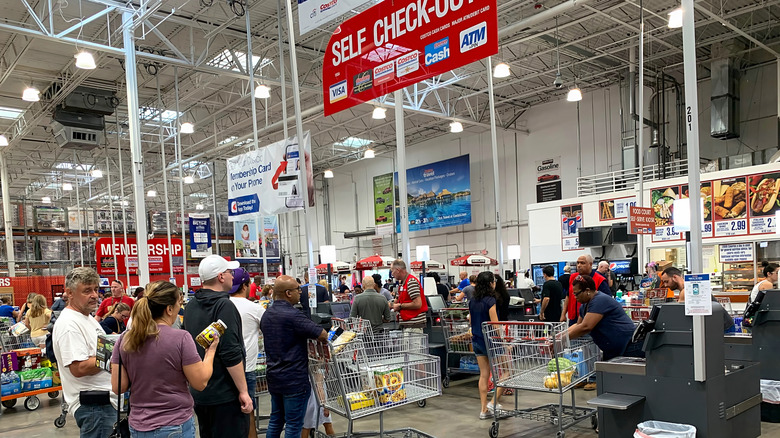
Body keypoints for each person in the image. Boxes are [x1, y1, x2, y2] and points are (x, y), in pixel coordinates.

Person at [111, 281, 218, 437]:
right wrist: (210, 351)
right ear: (169, 309)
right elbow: (200, 383)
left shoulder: (124, 340)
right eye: (178, 305)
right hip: (174, 424)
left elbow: (118, 387)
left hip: (138, 426)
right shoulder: (181, 338)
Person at [184, 255, 252, 438]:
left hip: (201, 392)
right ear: (221, 277)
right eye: (230, 272)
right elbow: (230, 353)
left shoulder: (190, 306)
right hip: (225, 395)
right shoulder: (224, 306)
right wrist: (243, 391)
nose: (232, 277)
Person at [53, 267, 117, 437]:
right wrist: (117, 352)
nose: (95, 295)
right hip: (94, 407)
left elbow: (100, 352)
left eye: (96, 289)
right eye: (87, 290)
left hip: (103, 403)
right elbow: (79, 368)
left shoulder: (87, 318)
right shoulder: (69, 325)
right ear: (70, 293)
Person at [261, 275, 328, 438]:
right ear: (288, 293)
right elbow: (322, 334)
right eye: (298, 289)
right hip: (294, 379)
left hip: (274, 376)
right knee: (293, 425)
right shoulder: (293, 315)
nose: (301, 292)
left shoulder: (267, 314)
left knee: (276, 420)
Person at [567, 274, 642, 390]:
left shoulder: (600, 300)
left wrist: (561, 340)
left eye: (576, 293)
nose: (574, 296)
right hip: (614, 350)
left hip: (629, 346)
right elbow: (578, 325)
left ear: (587, 291)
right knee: (613, 386)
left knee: (630, 386)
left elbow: (586, 327)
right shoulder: (584, 306)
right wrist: (557, 336)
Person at [229, 268, 265, 438]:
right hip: (247, 367)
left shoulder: (223, 306)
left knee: (229, 414)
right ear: (245, 286)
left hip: (226, 367)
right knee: (248, 412)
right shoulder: (255, 308)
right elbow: (269, 331)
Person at [469, 272, 502, 419]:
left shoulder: (472, 301)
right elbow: (495, 325)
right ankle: (493, 402)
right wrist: (504, 341)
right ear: (490, 283)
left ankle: (483, 410)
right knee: (507, 372)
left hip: (477, 340)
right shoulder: (491, 301)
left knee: (484, 374)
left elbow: (471, 322)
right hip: (491, 341)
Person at [661, 266, 734, 331]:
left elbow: (680, 314)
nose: (665, 285)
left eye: (666, 281)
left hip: (722, 327)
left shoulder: (686, 291)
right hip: (720, 324)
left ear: (675, 277)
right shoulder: (689, 288)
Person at [561, 255, 611, 325]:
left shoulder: (600, 280)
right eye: (578, 263)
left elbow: (607, 301)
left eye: (582, 263)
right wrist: (563, 314)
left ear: (590, 264)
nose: (579, 265)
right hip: (573, 318)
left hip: (591, 319)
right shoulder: (573, 277)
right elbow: (568, 296)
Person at [390, 260, 428, 333]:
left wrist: (400, 306)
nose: (392, 274)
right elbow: (397, 300)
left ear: (398, 270)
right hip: (407, 325)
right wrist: (391, 304)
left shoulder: (411, 282)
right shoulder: (402, 283)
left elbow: (417, 304)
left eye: (392, 271)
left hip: (414, 326)